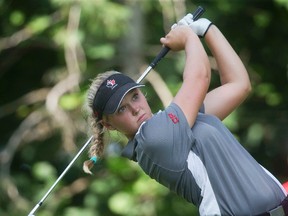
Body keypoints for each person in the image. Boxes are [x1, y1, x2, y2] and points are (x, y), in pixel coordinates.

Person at [83, 15, 288, 215]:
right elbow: (199, 77)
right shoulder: (152, 139)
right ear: (108, 125)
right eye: (121, 109)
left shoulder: (178, 122)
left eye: (135, 96)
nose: (135, 108)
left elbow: (238, 85)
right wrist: (188, 38)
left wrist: (207, 29)